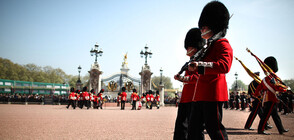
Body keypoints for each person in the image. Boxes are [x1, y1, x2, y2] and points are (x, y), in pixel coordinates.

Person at [187, 1, 232, 139]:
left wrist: (200, 66)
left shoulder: (222, 44)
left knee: (215, 129)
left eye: (204, 26)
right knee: (193, 129)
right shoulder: (209, 46)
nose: (201, 29)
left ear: (213, 25)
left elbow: (224, 66)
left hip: (213, 93)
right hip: (201, 94)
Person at [173, 27, 205, 140]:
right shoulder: (191, 61)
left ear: (196, 47)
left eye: (189, 47)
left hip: (195, 98)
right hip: (185, 98)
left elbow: (197, 78)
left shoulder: (201, 61)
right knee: (181, 129)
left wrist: (182, 78)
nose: (187, 50)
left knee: (195, 130)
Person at [253, 56, 289, 135]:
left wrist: (256, 95)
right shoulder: (272, 79)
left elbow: (259, 88)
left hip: (267, 98)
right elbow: (277, 87)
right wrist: (285, 89)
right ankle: (260, 130)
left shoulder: (265, 79)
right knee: (265, 116)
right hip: (271, 99)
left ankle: (281, 129)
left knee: (275, 116)